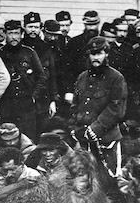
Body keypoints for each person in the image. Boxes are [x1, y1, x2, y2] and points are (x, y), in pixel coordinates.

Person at [71, 37, 128, 174]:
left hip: (106, 140)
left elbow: (116, 108)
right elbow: (76, 104)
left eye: (99, 53)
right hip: (83, 139)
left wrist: (97, 128)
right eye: (92, 54)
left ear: (106, 54)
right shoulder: (82, 77)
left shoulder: (116, 78)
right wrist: (74, 125)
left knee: (109, 179)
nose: (95, 57)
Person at [0, 19, 46, 138]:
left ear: (21, 34)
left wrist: (34, 96)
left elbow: (41, 77)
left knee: (28, 137)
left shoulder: (29, 53)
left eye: (17, 33)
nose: (14, 37)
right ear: (5, 34)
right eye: (10, 33)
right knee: (6, 136)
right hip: (6, 104)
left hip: (26, 104)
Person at [22, 12, 59, 127]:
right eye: (30, 27)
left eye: (36, 27)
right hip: (25, 98)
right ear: (24, 27)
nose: (33, 30)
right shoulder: (21, 47)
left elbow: (52, 75)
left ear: (40, 28)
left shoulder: (46, 48)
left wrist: (53, 100)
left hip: (43, 98)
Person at [54, 10, 76, 117]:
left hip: (68, 85)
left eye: (67, 25)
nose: (65, 28)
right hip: (56, 85)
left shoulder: (72, 41)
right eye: (61, 25)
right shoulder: (54, 43)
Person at [68, 10, 101, 80]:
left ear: (98, 24)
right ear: (84, 24)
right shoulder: (74, 42)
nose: (92, 28)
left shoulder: (104, 42)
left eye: (94, 24)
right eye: (89, 24)